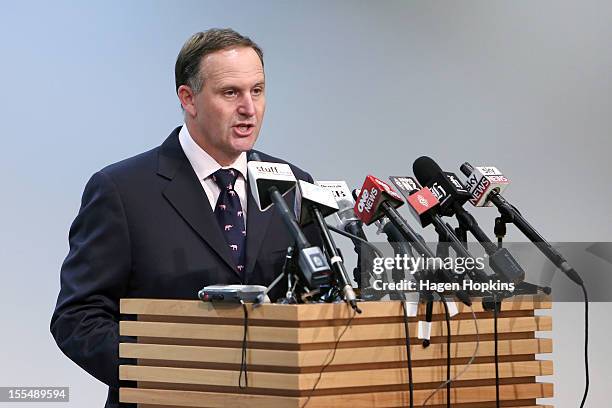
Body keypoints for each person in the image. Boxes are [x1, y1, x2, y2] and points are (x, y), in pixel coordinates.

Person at [50, 28, 320, 408]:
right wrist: (164, 372)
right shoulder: (122, 190)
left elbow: (322, 301)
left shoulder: (293, 185)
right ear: (188, 99)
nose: (249, 108)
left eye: (257, 91)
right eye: (231, 93)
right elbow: (78, 318)